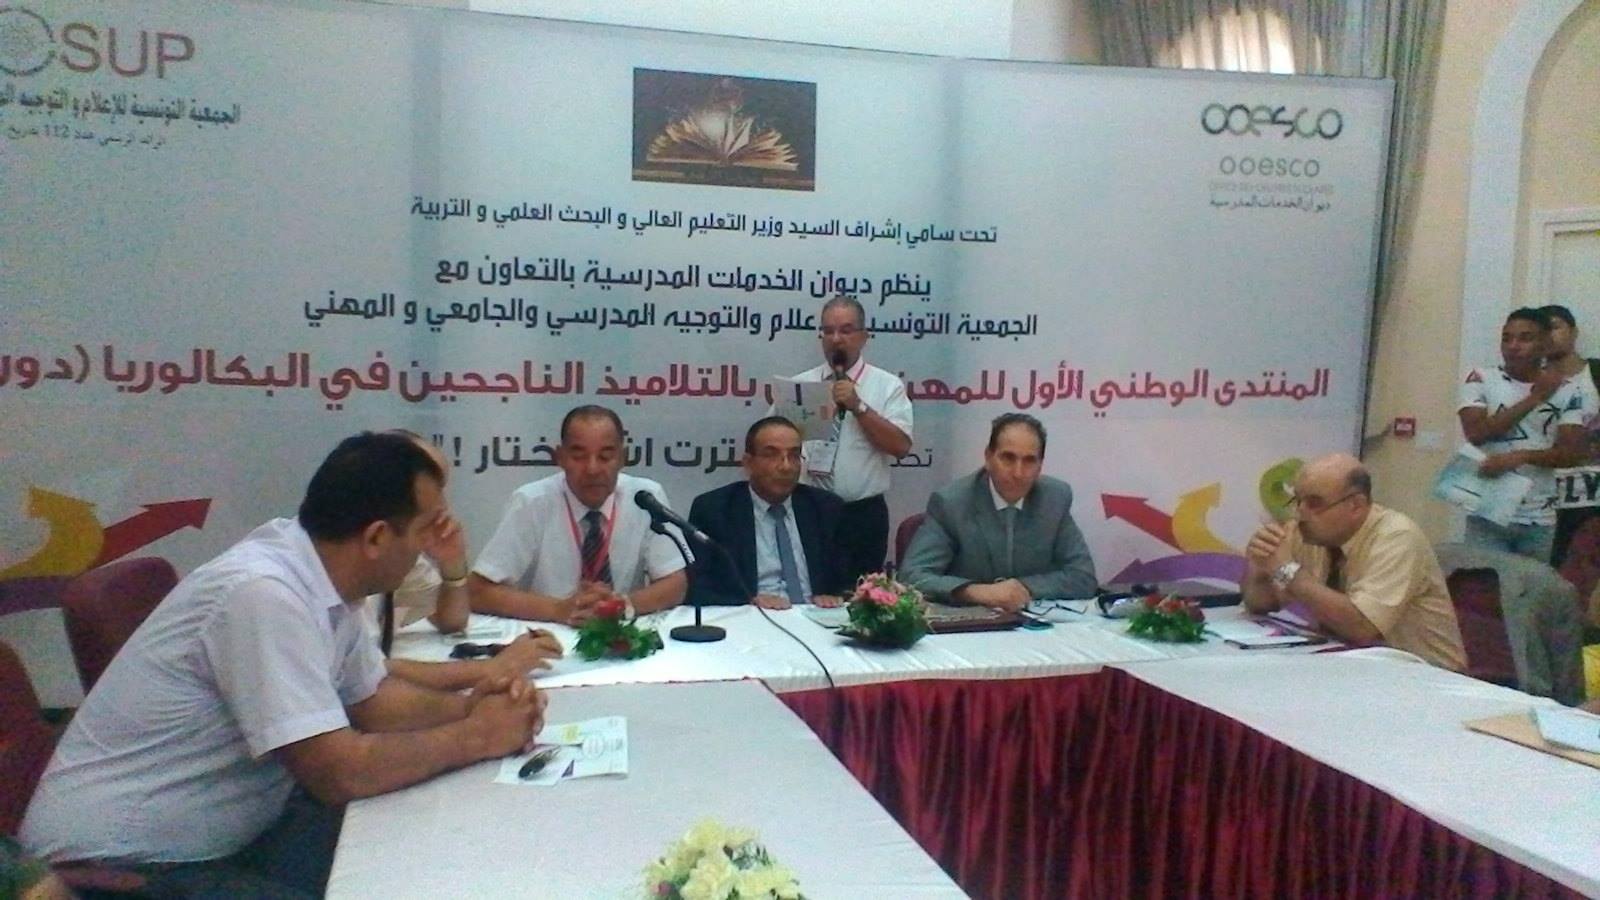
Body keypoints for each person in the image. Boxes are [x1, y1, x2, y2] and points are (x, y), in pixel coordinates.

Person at [20, 432, 546, 897]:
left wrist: (473, 707)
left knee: (430, 857)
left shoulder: (327, 575)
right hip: (123, 865)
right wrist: (477, 735)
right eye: (425, 530)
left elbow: (372, 701)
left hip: (232, 833)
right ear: (376, 537)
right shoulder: (263, 594)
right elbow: (338, 772)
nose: (429, 547)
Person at [366, 432, 563, 692]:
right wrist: (496, 667)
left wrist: (452, 562)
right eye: (434, 488)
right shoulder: (350, 564)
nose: (443, 505)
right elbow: (367, 674)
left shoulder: (398, 549)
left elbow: (451, 621)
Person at [1243, 453, 1466, 671]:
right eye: (1298, 501)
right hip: (1354, 667)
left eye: (1314, 503)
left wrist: (1287, 571)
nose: (1300, 513)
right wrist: (1261, 564)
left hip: (1427, 675)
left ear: (1356, 505)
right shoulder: (1309, 533)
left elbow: (1361, 627)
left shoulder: (1397, 537)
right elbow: (1260, 603)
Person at [469, 405, 688, 624]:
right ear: (560, 458)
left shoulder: (645, 498)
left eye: (605, 457)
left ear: (623, 458)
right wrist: (557, 610)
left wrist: (621, 605)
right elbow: (477, 591)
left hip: (620, 634)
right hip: (548, 632)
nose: (592, 469)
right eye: (579, 456)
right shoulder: (531, 502)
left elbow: (676, 583)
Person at [900, 413, 1097, 610]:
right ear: (988, 457)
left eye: (1029, 461)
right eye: (1008, 458)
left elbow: (1083, 577)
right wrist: (976, 592)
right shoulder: (952, 503)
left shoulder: (1055, 499)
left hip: (1036, 623)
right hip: (972, 623)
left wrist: (1023, 588)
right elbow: (912, 577)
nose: (1018, 473)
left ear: (1040, 465)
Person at [786, 295, 913, 585]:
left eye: (845, 330)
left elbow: (901, 447)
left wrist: (859, 406)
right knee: (810, 592)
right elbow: (773, 440)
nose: (836, 339)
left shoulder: (886, 386)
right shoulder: (801, 386)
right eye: (828, 331)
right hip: (809, 510)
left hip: (862, 516)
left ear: (864, 336)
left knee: (860, 599)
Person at [1457, 307, 1589, 562]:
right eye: (1506, 338)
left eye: (1525, 338)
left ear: (1545, 344)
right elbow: (1476, 433)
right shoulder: (1481, 378)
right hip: (1488, 511)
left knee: (1531, 587)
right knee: (1483, 585)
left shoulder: (1568, 390)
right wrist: (1535, 398)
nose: (1513, 346)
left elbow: (1571, 454)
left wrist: (1521, 456)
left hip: (1539, 515)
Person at [687, 416, 848, 609]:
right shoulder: (715, 510)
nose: (786, 466)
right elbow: (699, 585)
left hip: (814, 615)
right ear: (748, 463)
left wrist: (834, 596)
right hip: (751, 616)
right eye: (771, 455)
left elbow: (848, 578)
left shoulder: (826, 507)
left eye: (794, 456)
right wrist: (749, 601)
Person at [1539, 305, 1600, 566]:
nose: (1548, 335)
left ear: (1573, 332)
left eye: (1555, 327)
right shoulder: (1532, 382)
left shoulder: (1594, 374)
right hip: (1545, 498)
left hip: (1593, 495)